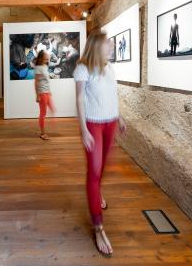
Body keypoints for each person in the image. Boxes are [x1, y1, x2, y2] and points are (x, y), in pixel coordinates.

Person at [74, 29, 126, 257]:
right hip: (94, 124)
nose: (112, 47)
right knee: (94, 174)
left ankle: (98, 195)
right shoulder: (83, 68)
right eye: (109, 44)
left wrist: (120, 117)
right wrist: (83, 129)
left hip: (111, 123)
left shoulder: (110, 68)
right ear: (97, 45)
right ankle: (99, 228)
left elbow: (112, 96)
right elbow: (79, 100)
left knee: (102, 168)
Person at [34, 50, 55, 140]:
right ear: (42, 57)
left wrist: (49, 91)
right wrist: (37, 95)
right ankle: (42, 133)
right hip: (42, 93)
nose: (48, 56)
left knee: (52, 109)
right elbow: (36, 82)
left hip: (46, 92)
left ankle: (47, 125)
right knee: (43, 113)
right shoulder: (38, 68)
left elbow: (46, 81)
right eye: (46, 55)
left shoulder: (45, 66)